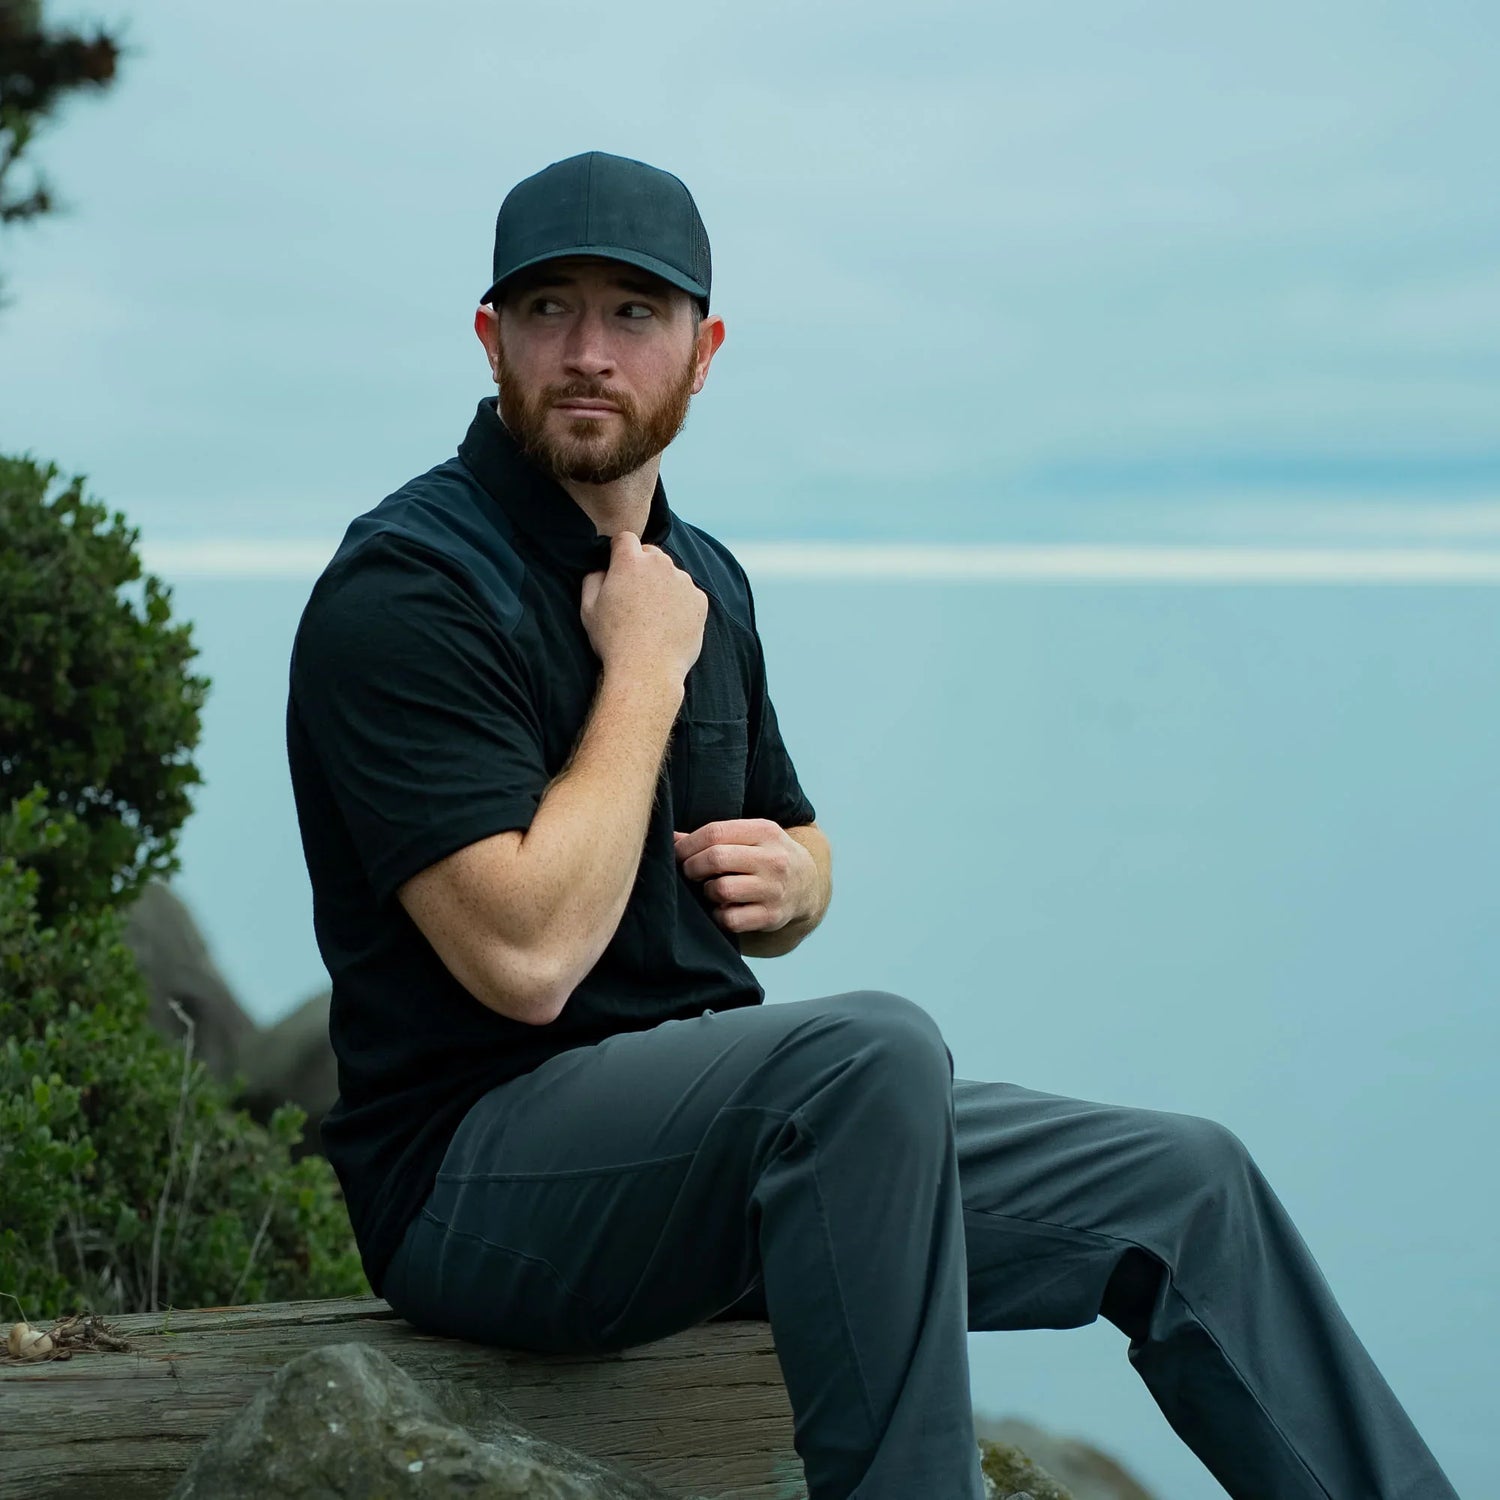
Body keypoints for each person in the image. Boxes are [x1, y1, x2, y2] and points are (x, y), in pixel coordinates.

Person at [285, 151, 1458, 1500]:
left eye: (635, 314)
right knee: (868, 1056)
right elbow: (527, 957)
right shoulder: (412, 591)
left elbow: (801, 838)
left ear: (703, 352)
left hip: (724, 1152)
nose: (590, 352)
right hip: (478, 1191)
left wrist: (798, 886)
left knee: (1188, 1185)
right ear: (491, 337)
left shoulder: (697, 577)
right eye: (550, 310)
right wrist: (644, 674)